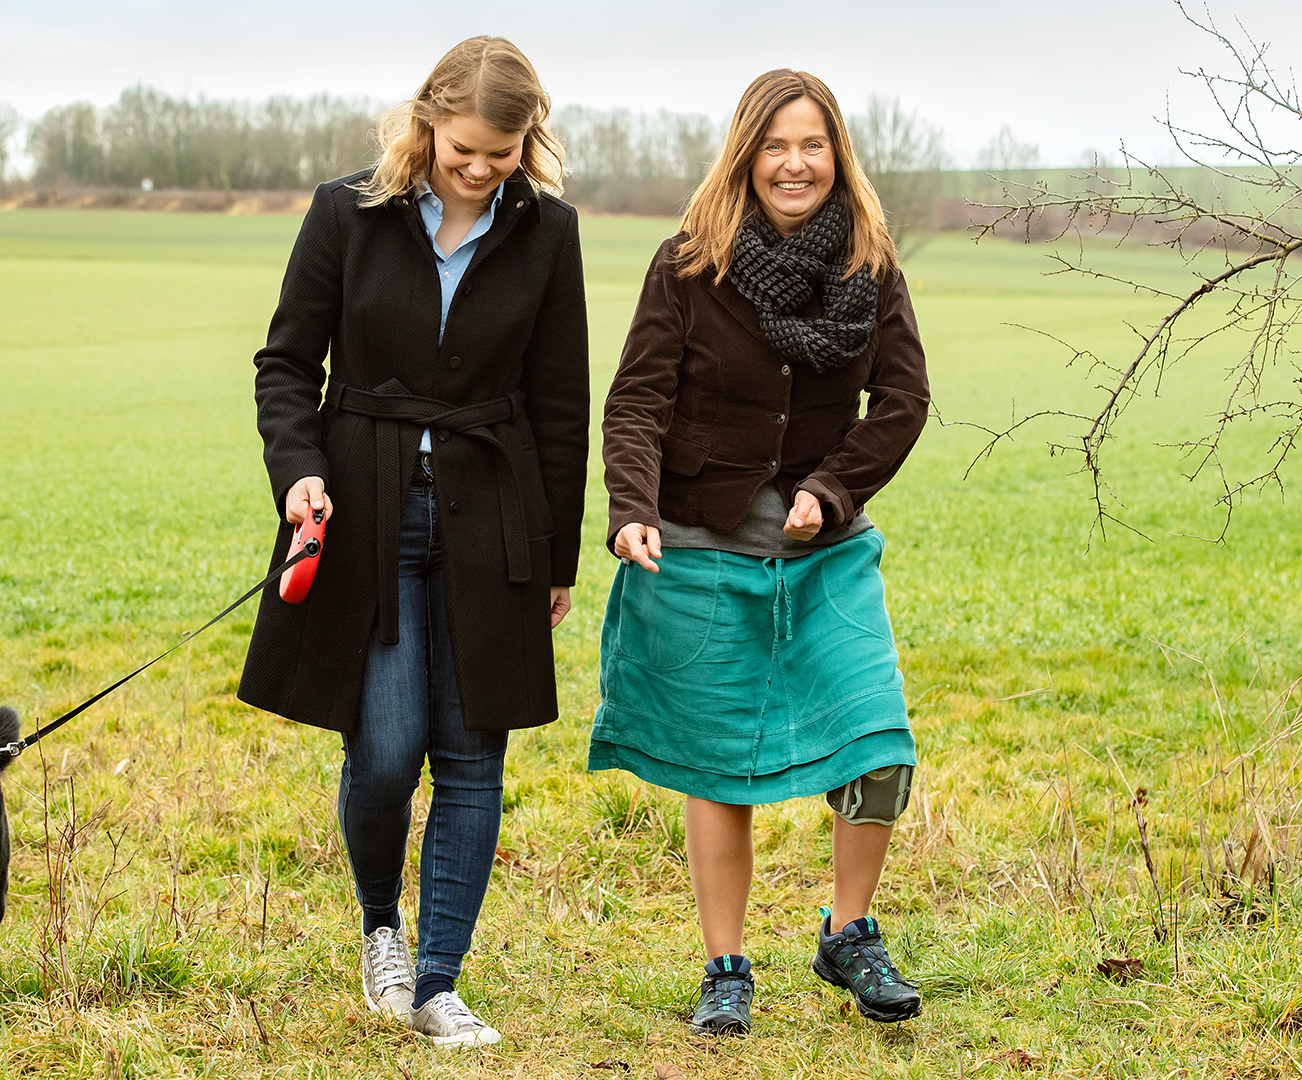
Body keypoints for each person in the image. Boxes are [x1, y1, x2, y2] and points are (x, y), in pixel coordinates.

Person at [237, 36, 588, 1049]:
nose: (480, 169)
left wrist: (556, 556)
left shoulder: (548, 234)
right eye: (464, 148)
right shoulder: (347, 214)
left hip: (497, 512)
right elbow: (285, 363)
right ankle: (381, 923)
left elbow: (562, 403)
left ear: (530, 140)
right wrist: (298, 470)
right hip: (365, 508)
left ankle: (438, 983)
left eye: (502, 152)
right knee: (386, 751)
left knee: (474, 758)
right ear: (428, 118)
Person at [592, 68, 929, 1033]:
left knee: (877, 743)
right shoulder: (689, 264)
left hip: (827, 554)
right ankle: (726, 965)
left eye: (812, 144)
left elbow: (902, 401)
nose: (794, 163)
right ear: (747, 155)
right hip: (700, 547)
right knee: (717, 763)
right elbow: (639, 401)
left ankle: (849, 934)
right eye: (776, 145)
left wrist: (830, 490)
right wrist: (631, 508)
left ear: (837, 156)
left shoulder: (871, 264)